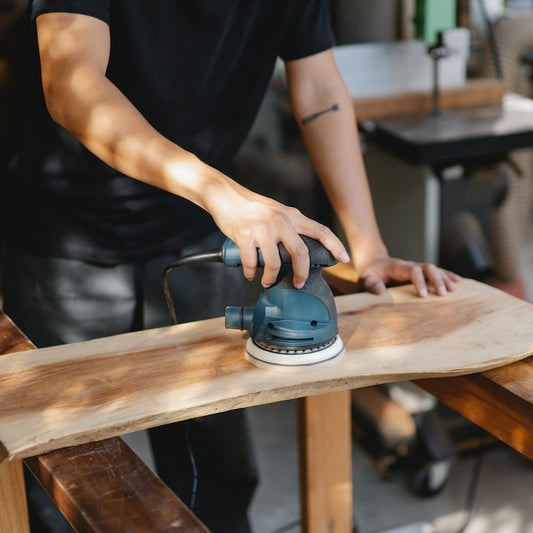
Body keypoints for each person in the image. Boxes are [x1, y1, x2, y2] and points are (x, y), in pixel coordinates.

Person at [1, 1, 460, 531]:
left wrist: (369, 248)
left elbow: (319, 91)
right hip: (65, 239)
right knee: (63, 476)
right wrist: (224, 195)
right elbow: (71, 83)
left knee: (217, 473)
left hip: (195, 224)